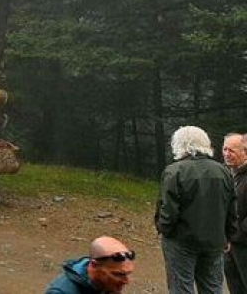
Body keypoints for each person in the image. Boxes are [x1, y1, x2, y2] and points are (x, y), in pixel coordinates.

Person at [155, 125, 235, 294]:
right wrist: (228, 235)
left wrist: (164, 230)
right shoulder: (223, 171)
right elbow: (231, 207)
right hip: (214, 241)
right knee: (213, 287)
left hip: (181, 241)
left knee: (181, 287)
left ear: (179, 144)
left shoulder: (175, 171)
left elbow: (168, 209)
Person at [46, 236, 137, 294]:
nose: (126, 281)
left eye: (127, 274)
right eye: (117, 274)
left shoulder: (104, 284)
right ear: (94, 265)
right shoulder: (62, 292)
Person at [224, 132, 247, 294]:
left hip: (243, 243)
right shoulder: (230, 175)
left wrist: (237, 231)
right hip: (231, 245)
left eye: (232, 150)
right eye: (224, 149)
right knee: (235, 286)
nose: (227, 154)